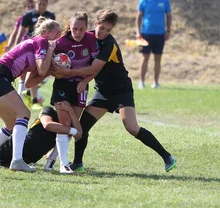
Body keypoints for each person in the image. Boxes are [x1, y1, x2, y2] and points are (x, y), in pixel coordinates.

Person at [55, 9, 176, 173]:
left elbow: (94, 68)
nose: (104, 32)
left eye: (108, 30)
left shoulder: (110, 45)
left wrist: (71, 74)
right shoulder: (88, 36)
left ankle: (167, 156)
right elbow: (71, 44)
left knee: (132, 127)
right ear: (96, 24)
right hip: (102, 92)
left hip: (121, 91)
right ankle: (77, 163)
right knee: (82, 127)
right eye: (102, 27)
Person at [0, 17, 61, 172]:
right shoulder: (42, 41)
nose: (60, 36)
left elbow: (29, 83)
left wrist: (51, 68)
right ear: (47, 33)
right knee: (23, 113)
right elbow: (43, 70)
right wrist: (50, 51)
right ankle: (17, 161)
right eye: (58, 32)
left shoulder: (37, 45)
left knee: (10, 123)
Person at [28, 12, 98, 171]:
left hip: (81, 87)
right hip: (62, 87)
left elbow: (96, 68)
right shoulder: (60, 43)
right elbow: (48, 64)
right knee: (66, 124)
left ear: (87, 28)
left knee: (72, 125)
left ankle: (52, 159)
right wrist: (56, 71)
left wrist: (85, 81)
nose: (78, 32)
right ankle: (63, 165)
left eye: (82, 29)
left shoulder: (91, 40)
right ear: (69, 27)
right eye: (75, 29)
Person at [16, 0, 56, 110]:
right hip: (32, 48)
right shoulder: (28, 16)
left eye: (44, 4)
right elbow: (20, 33)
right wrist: (17, 47)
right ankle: (33, 100)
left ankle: (29, 93)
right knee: (34, 71)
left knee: (48, 72)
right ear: (35, 4)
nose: (42, 6)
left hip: (45, 46)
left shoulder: (51, 16)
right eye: (40, 4)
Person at [136, 0, 172, 89]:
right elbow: (139, 17)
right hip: (146, 33)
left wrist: (168, 30)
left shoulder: (164, 0)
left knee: (158, 58)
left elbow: (169, 16)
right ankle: (141, 82)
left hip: (160, 34)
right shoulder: (144, 0)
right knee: (145, 57)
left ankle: (155, 82)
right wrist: (138, 32)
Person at [6, 0, 36, 97]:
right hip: (24, 47)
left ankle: (34, 95)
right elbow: (15, 33)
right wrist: (10, 46)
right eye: (29, 7)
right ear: (25, 8)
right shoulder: (22, 19)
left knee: (37, 71)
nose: (31, 8)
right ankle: (22, 96)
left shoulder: (39, 17)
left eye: (32, 6)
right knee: (24, 72)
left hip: (36, 48)